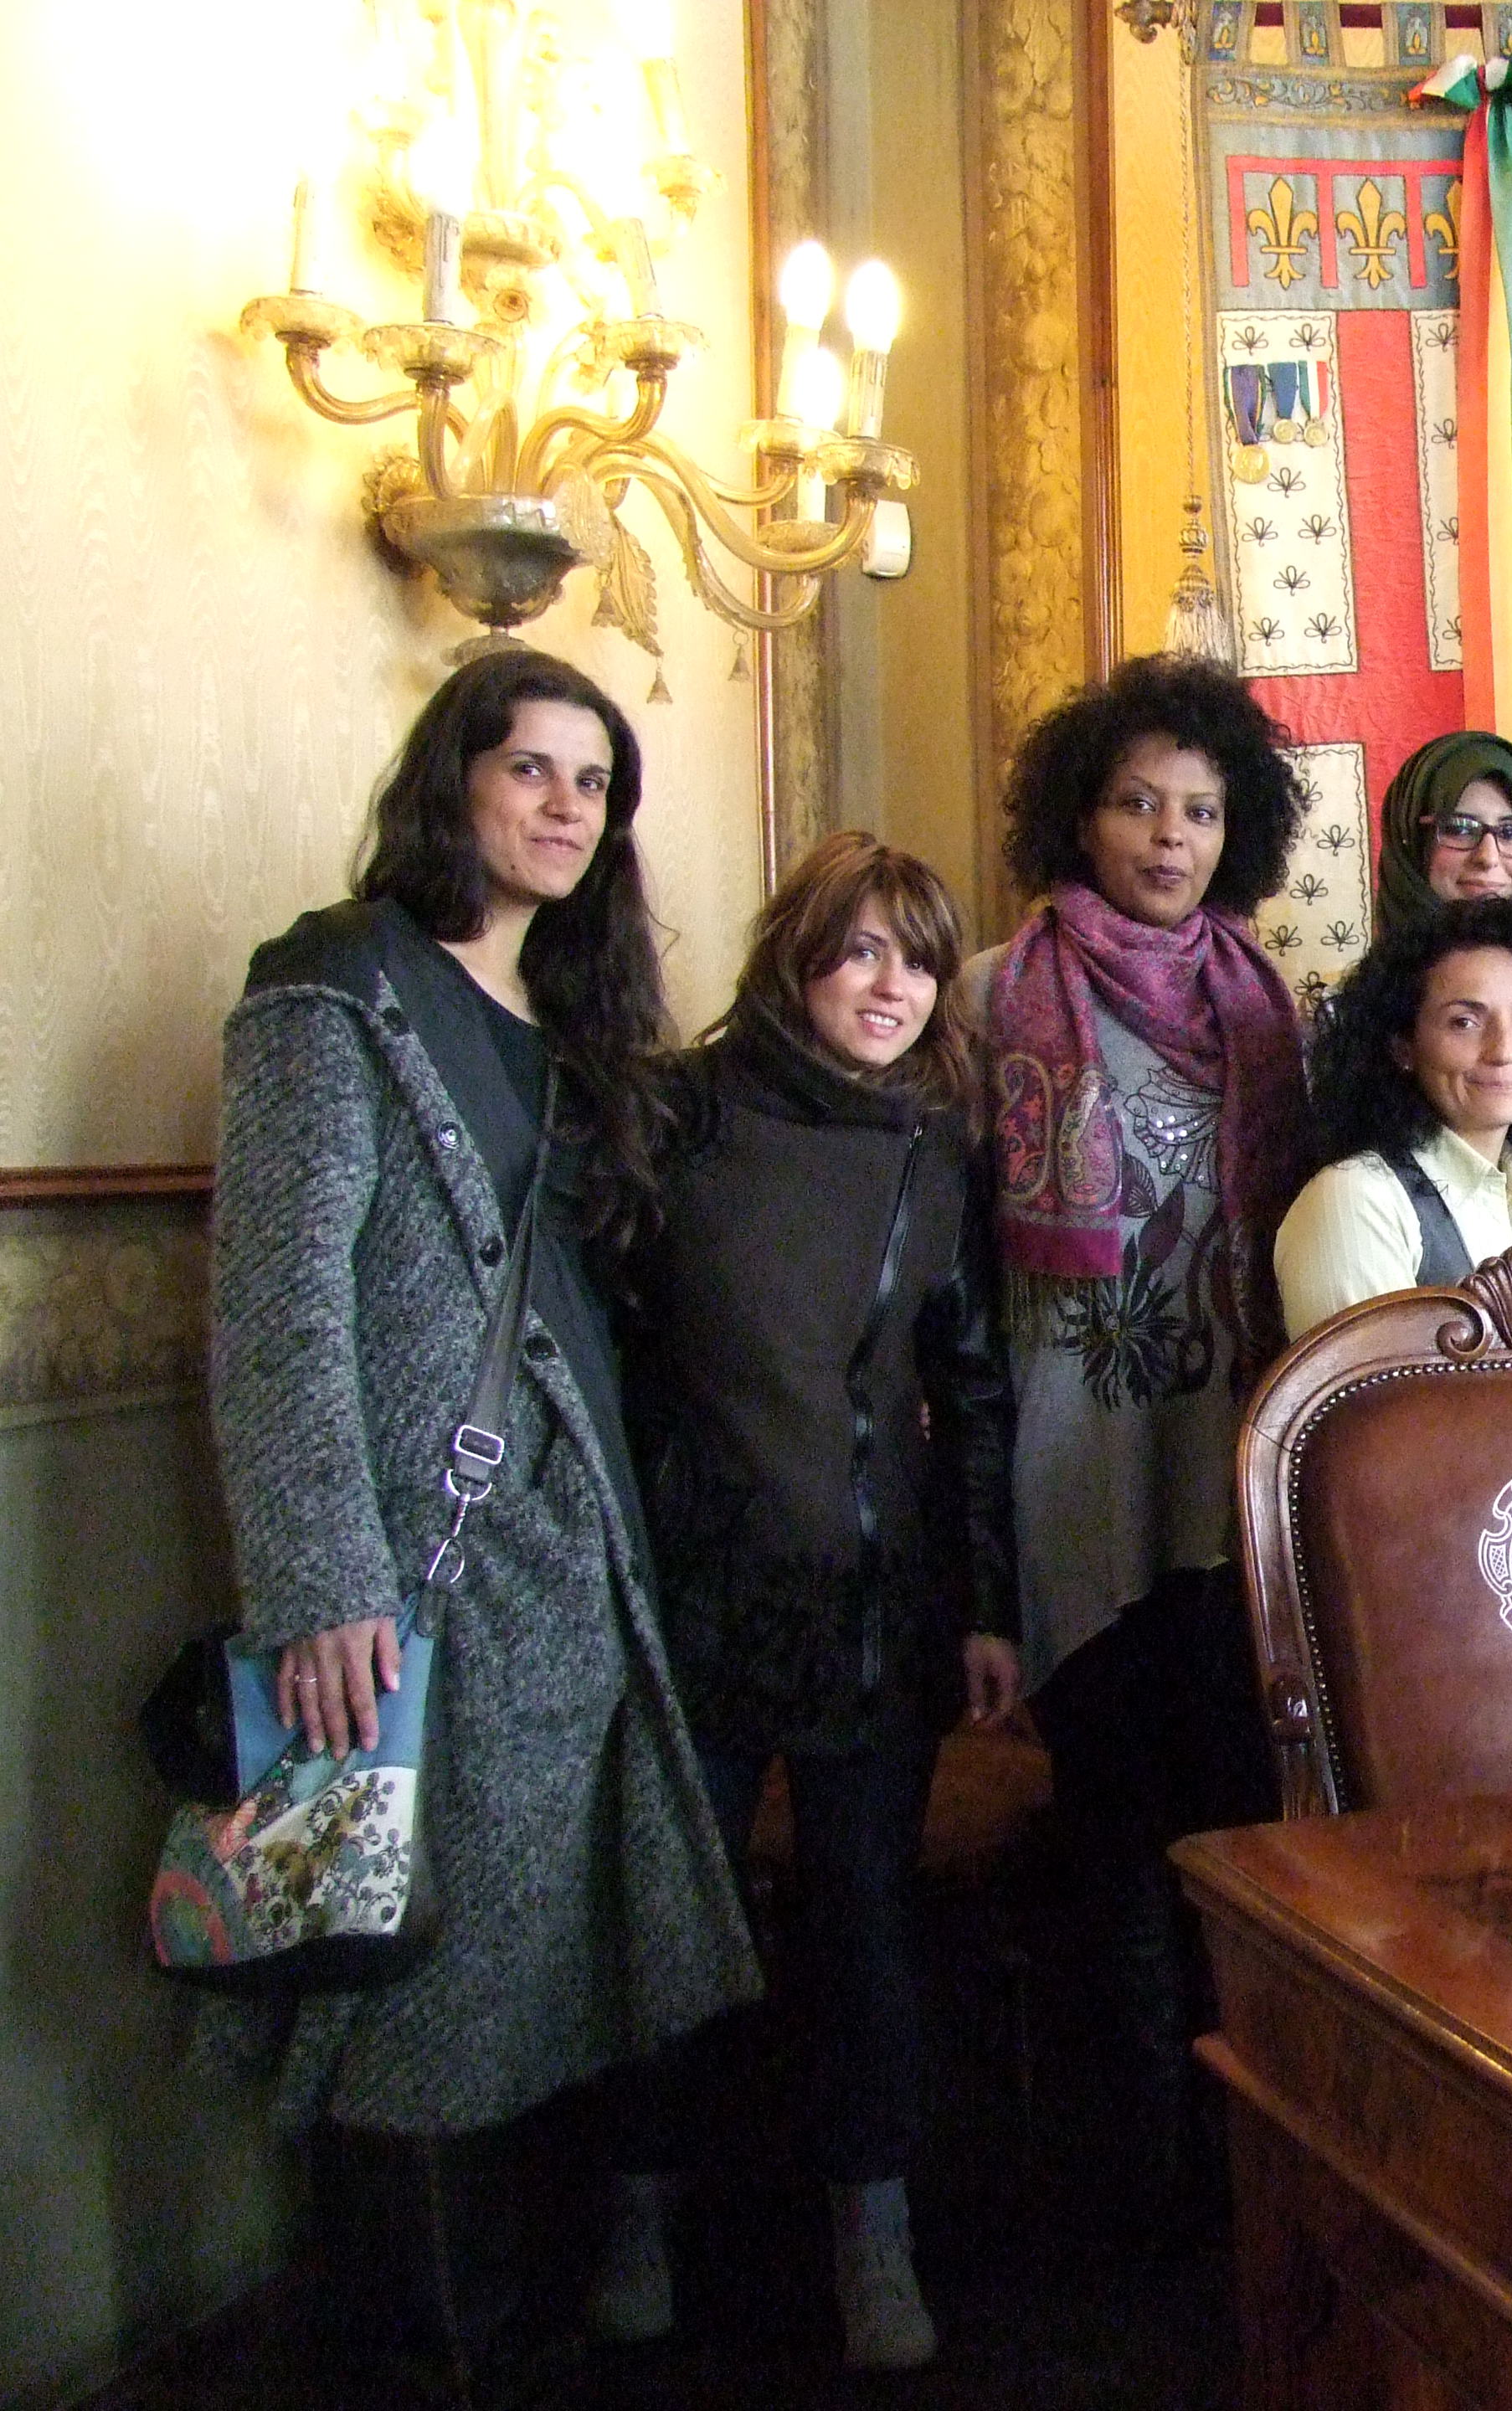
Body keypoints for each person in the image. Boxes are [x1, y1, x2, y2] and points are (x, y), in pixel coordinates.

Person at [207, 647, 756, 2388]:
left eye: (595, 786)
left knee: (552, 1979)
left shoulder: (574, 1025)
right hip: (415, 1579)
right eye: (530, 769)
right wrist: (319, 1584)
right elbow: (278, 1307)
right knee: (419, 1983)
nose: (565, 809)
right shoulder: (338, 986)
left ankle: (516, 2332)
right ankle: (415, 2358)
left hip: (568, 1565)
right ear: (453, 780)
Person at [604, 833, 1020, 2371]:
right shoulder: (678, 1116)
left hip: (875, 1601)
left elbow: (972, 1390)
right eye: (857, 951)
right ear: (795, 959)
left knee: (863, 1928)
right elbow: (608, 1352)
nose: (891, 986)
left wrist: (987, 1604)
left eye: (916, 957)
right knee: (673, 1925)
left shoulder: (934, 1151)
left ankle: (873, 2230)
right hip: (698, 1591)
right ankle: (638, 2209)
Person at [979, 652, 1309, 2234]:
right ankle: (1133, 2190)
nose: (1168, 839)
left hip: (1224, 1472)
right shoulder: (997, 992)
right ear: (1081, 817)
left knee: (1229, 1823)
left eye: (1199, 810)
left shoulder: (1265, 1002)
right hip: (1069, 1474)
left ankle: (1239, 2158)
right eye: (1135, 805)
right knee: (1106, 1835)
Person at [1275, 897, 1512, 1336]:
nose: (1504, 1051)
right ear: (1403, 1046)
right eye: (1465, 1022)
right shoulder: (1357, 1199)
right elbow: (1373, 1404)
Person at [1375, 729, 1512, 938]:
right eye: (1460, 828)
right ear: (1413, 840)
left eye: (1510, 833)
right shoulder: (1380, 971)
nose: (1488, 858)